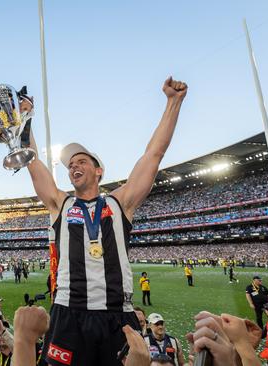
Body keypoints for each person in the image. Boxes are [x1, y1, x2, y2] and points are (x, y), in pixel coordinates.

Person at [25, 77, 188, 365]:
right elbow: (33, 162)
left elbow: (153, 155)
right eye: (70, 165)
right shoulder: (61, 203)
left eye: (81, 161)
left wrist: (173, 103)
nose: (74, 166)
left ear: (98, 171)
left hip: (117, 315)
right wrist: (26, 118)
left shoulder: (119, 201)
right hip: (69, 312)